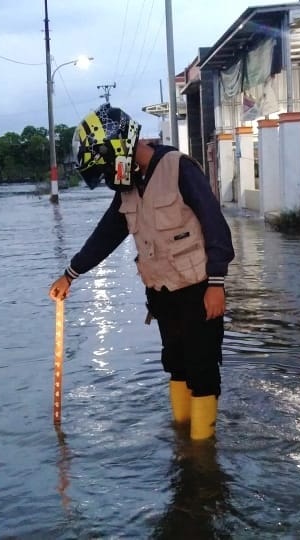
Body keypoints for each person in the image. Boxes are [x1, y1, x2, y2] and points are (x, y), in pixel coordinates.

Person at [48, 104, 235, 440]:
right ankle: (182, 438)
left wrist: (217, 283)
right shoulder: (128, 185)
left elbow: (216, 226)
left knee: (202, 369)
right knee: (175, 364)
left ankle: (202, 455)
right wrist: (70, 274)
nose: (108, 178)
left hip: (199, 289)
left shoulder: (179, 169)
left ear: (121, 147)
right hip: (162, 292)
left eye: (106, 169)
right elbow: (106, 235)